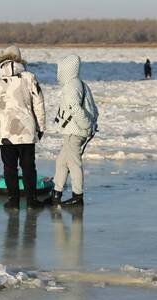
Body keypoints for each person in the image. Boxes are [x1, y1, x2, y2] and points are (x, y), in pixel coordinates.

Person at [0, 45, 46, 209]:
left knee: (9, 167)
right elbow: (38, 104)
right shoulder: (29, 77)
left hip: (5, 130)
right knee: (28, 166)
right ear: (19, 58)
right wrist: (40, 127)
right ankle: (32, 201)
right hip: (26, 129)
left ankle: (13, 201)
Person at [52, 55, 99, 206]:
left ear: (66, 70)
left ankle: (77, 196)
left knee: (74, 163)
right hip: (75, 131)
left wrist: (85, 125)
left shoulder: (72, 86)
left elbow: (75, 109)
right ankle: (56, 194)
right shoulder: (81, 84)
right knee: (61, 162)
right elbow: (93, 108)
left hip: (75, 132)